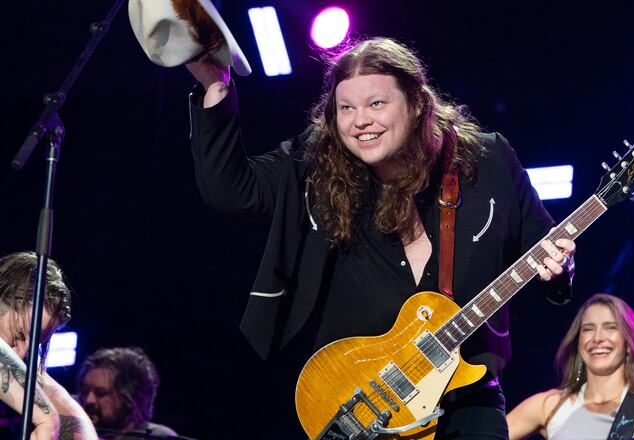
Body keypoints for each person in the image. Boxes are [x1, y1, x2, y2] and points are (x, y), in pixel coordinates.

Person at [186, 37, 576, 438]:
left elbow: (544, 250)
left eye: (376, 104)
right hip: (367, 407)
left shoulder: (487, 161)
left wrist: (560, 267)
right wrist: (216, 87)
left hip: (467, 397)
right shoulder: (316, 165)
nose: (360, 121)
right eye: (346, 108)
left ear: (417, 104)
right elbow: (231, 192)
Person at [506, 293, 634, 440]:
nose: (597, 338)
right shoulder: (549, 405)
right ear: (578, 342)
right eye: (588, 329)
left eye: (610, 328)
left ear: (628, 343)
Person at [0, 251, 97, 440]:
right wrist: (47, 418)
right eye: (19, 334)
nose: (22, 353)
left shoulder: (26, 373)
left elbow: (74, 420)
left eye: (35, 345)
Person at [76, 347, 177, 440]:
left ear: (131, 398)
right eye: (85, 391)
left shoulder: (158, 437)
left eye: (101, 393)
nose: (89, 400)